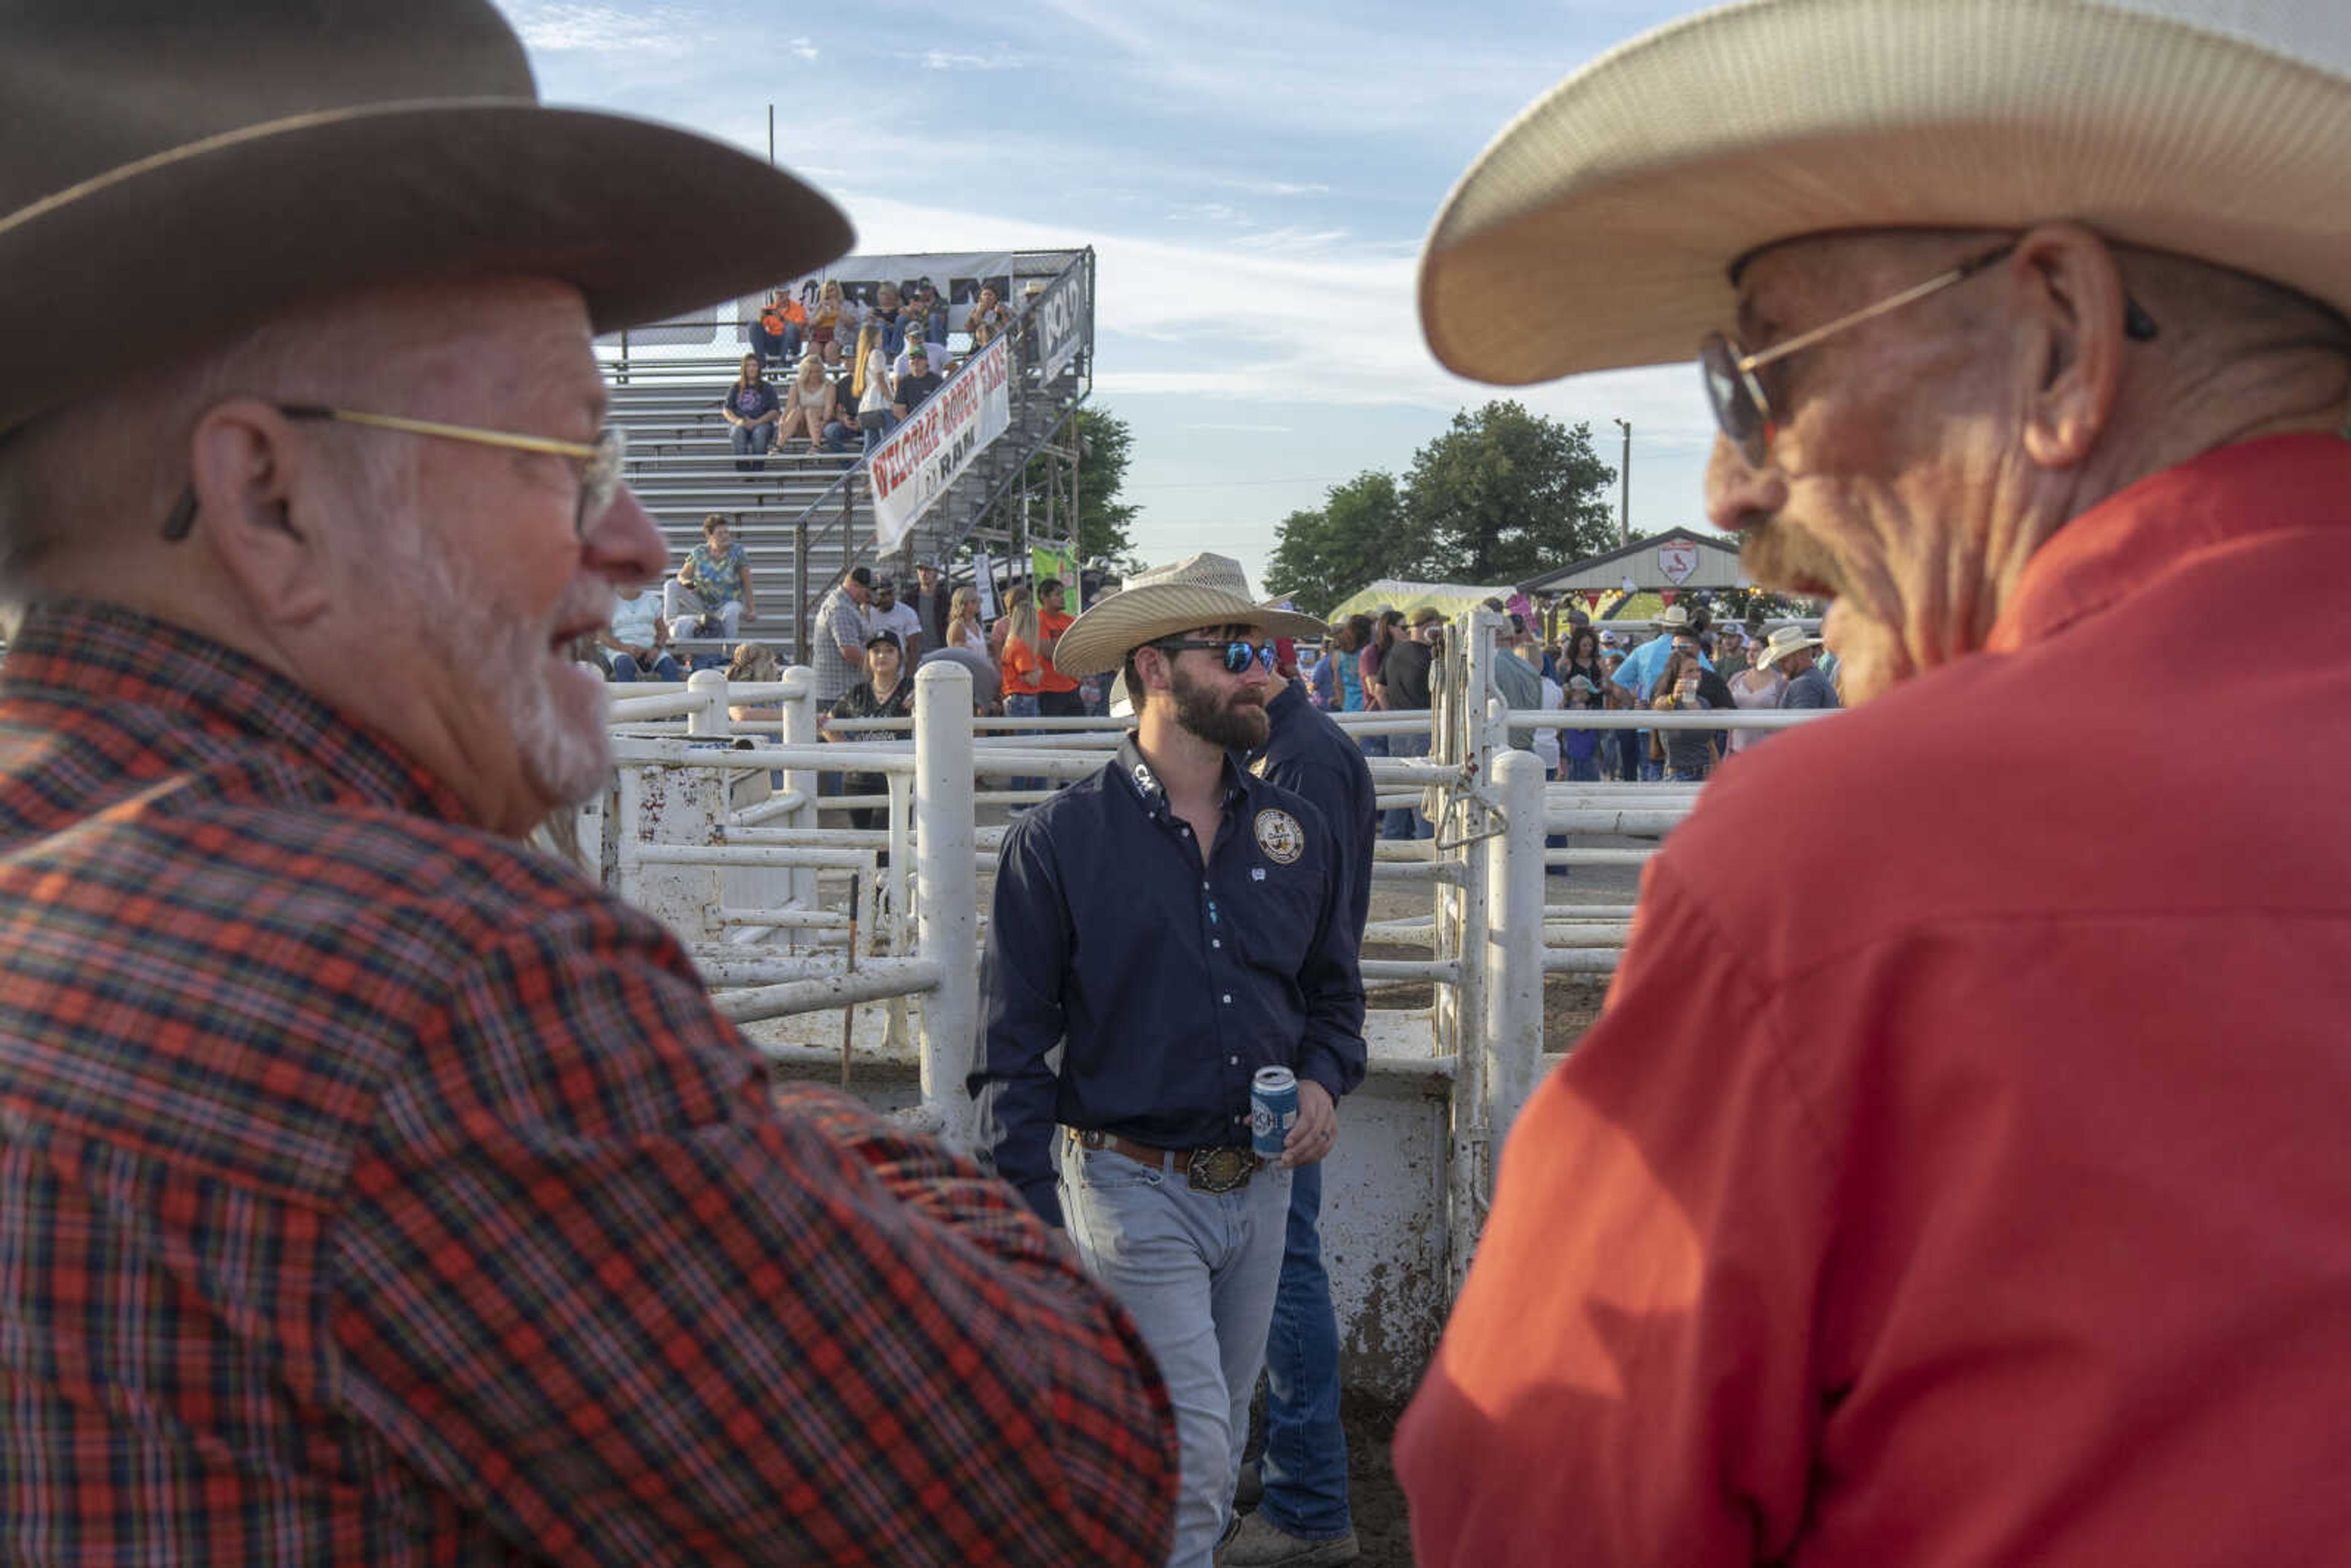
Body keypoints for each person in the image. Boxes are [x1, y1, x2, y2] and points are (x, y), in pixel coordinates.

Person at [0, 5, 1180, 1561]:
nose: (630, 546)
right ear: (269, 498)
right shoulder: (450, 987)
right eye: (562, 457)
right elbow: (1064, 1477)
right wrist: (759, 1120)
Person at [1399, 2, 2351, 1564]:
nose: (1729, 480)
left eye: (1758, 367)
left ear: (2056, 334)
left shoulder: (1844, 864)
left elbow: (1530, 1509)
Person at [970, 555, 1359, 1568]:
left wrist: (1320, 1080)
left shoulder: (1295, 831)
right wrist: (1032, 1228)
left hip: (1260, 1187)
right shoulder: (1058, 842)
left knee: (1209, 1453)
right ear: (1155, 669)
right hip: (1130, 1186)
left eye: (1262, 651)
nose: (1259, 674)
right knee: (1187, 1468)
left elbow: (1333, 997)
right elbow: (1012, 1053)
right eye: (1234, 653)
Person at [1228, 568, 1380, 1568]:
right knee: (1273, 1265)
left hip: (1278, 1044)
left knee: (1282, 1270)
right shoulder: (1301, 749)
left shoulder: (1297, 765)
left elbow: (1281, 920)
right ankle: (1293, 1473)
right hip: (1287, 1036)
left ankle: (1310, 1503)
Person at [822, 630, 917, 830]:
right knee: (864, 840)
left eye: (889, 651)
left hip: (897, 776)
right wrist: (850, 751)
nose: (882, 656)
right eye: (876, 651)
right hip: (859, 779)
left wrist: (925, 695)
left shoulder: (912, 688)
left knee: (890, 838)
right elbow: (828, 725)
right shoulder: (857, 693)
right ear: (868, 657)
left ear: (899, 656)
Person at [1376, 607, 1441, 840]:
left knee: (1398, 792)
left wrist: (1392, 719)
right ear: (1430, 626)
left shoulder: (1394, 652)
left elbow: (1379, 690)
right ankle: (1428, 848)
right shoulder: (1433, 657)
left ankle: (1392, 844)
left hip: (1397, 728)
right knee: (1425, 795)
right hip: (1424, 728)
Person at [664, 512, 756, 642]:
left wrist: (751, 609)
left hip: (727, 603)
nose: (725, 536)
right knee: (671, 585)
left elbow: (747, 581)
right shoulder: (699, 552)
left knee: (733, 609)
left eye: (726, 532)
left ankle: (728, 650)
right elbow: (682, 575)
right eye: (720, 533)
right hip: (703, 601)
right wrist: (687, 583)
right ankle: (668, 630)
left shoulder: (737, 552)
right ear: (709, 536)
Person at [1647, 647, 1719, 781]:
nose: (1696, 675)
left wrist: (1719, 769)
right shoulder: (1669, 701)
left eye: (1698, 670)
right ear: (1677, 676)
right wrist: (1674, 697)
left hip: (1706, 775)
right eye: (1690, 671)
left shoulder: (1704, 702)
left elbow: (1710, 743)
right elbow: (1659, 705)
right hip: (1678, 776)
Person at [809, 563, 872, 715]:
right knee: (839, 736)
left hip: (841, 693)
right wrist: (879, 671)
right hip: (836, 696)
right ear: (855, 586)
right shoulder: (841, 609)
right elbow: (850, 652)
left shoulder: (849, 605)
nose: (871, 595)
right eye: (869, 590)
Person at [599, 577, 681, 681]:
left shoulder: (652, 601)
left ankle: (672, 698)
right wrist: (625, 648)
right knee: (624, 664)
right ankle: (629, 698)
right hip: (620, 650)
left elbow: (663, 631)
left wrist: (656, 648)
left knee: (670, 665)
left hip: (651, 649)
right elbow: (603, 636)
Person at [1032, 577, 1086, 720]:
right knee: (1052, 738)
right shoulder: (1038, 619)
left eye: (1063, 594)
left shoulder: (1069, 620)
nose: (1062, 598)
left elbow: (1081, 648)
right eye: (1057, 594)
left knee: (1079, 737)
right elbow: (1047, 652)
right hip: (1048, 689)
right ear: (1044, 597)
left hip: (1072, 687)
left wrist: (1062, 648)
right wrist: (1070, 649)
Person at [1723, 637, 1788, 756]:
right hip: (1736, 751)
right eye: (1748, 650)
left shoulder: (1781, 683)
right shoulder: (1736, 679)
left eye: (1756, 650)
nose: (1750, 654)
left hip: (1768, 753)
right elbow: (1723, 706)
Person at [719, 351, 782, 470]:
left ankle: (758, 468)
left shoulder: (767, 387)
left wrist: (756, 422)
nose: (752, 369)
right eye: (748, 366)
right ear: (744, 368)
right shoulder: (736, 387)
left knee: (759, 433)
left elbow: (775, 411)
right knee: (737, 432)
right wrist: (738, 421)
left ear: (759, 368)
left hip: (762, 424)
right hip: (741, 423)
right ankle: (743, 469)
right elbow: (727, 410)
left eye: (754, 365)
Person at [1757, 624, 1839, 710]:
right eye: (1779, 660)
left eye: (1784, 660)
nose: (1780, 665)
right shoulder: (1814, 677)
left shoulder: (1805, 683)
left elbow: (1801, 722)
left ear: (1801, 654)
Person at [770, 351, 834, 452]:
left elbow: (829, 409)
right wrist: (782, 421)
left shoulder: (828, 386)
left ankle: (816, 445)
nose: (815, 375)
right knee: (797, 412)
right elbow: (790, 407)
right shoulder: (797, 385)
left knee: (810, 411)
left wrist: (825, 421)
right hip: (801, 424)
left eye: (818, 371)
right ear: (805, 372)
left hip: (820, 422)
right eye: (811, 372)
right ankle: (779, 445)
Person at [853, 318, 893, 454]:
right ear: (875, 337)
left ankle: (866, 471)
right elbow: (881, 380)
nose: (882, 339)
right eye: (880, 336)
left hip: (867, 406)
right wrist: (892, 400)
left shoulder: (863, 357)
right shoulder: (877, 354)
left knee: (870, 446)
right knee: (887, 443)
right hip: (881, 405)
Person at [861, 574, 924, 659]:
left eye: (890, 593)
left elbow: (914, 650)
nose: (888, 598)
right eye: (882, 595)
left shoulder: (907, 613)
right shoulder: (865, 612)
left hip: (899, 669)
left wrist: (909, 672)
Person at [750, 288, 804, 367]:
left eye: (783, 293)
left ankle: (783, 360)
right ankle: (761, 362)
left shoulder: (798, 309)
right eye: (778, 293)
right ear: (775, 294)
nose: (780, 295)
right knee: (754, 325)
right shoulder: (769, 309)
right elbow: (759, 332)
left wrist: (781, 319)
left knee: (791, 327)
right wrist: (761, 319)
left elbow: (799, 329)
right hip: (773, 343)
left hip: (790, 344)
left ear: (788, 293)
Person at [891, 344, 944, 423]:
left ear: (926, 361)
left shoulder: (937, 381)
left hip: (933, 423)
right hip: (913, 426)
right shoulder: (904, 383)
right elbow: (898, 409)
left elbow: (943, 405)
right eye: (913, 358)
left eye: (920, 358)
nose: (916, 361)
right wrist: (912, 425)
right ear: (909, 362)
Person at [910, 559, 952, 653]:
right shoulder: (909, 598)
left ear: (936, 573)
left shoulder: (946, 598)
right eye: (920, 570)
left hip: (942, 651)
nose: (924, 573)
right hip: (916, 653)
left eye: (928, 570)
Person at [966, 283, 1013, 347]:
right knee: (983, 328)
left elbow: (1010, 327)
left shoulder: (1002, 308)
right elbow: (970, 329)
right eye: (985, 295)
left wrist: (1003, 314)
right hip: (982, 343)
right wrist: (979, 312)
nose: (987, 297)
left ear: (996, 298)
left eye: (990, 295)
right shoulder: (977, 310)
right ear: (981, 298)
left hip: (999, 341)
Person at [947, 583, 987, 651]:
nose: (979, 603)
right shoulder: (958, 627)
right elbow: (958, 655)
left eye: (979, 600)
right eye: (973, 601)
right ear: (963, 604)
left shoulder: (976, 624)